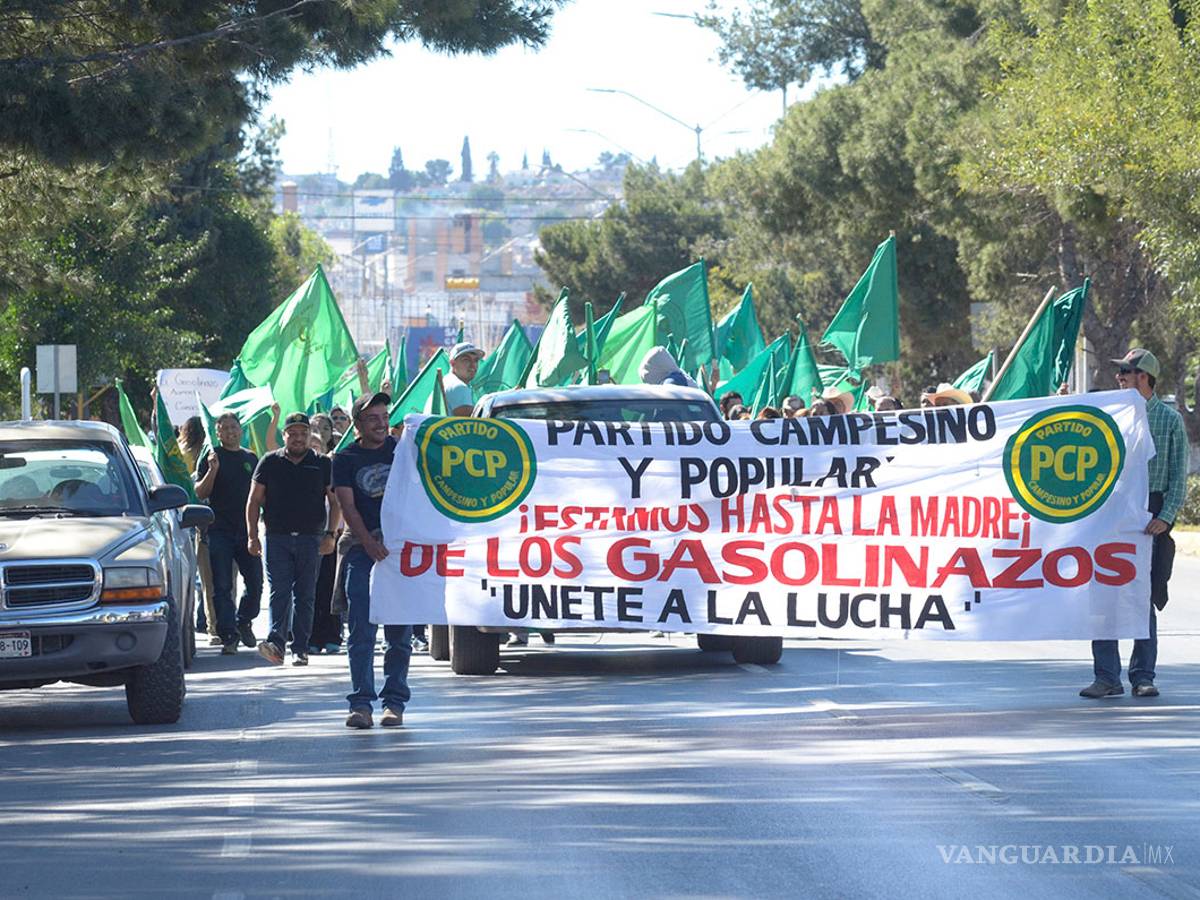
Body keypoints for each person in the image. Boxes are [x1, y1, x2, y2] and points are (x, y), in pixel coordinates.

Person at [1081, 349, 1187, 700]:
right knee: (1103, 594)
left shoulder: (1169, 421)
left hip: (1151, 512)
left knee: (1141, 598)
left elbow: (1177, 476)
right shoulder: (1109, 414)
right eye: (1121, 371)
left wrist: (1165, 517)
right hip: (1111, 511)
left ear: (1145, 377)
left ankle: (1143, 674)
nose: (1120, 377)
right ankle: (1106, 676)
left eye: (1127, 371)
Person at [334, 392, 412, 729]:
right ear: (358, 425)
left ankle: (394, 702)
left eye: (384, 416)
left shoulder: (403, 451)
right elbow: (348, 506)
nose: (381, 424)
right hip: (360, 549)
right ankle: (361, 703)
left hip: (400, 550)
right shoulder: (344, 458)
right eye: (372, 418)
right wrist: (368, 542)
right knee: (362, 630)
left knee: (399, 631)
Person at [247, 412, 340, 667]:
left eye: (303, 433)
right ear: (284, 435)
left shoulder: (322, 463)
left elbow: (335, 501)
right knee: (279, 591)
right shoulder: (269, 462)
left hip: (312, 539)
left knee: (305, 595)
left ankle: (300, 648)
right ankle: (276, 643)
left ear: (309, 435)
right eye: (293, 433)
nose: (298, 438)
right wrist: (252, 536)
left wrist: (330, 535)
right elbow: (254, 501)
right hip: (277, 538)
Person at [195, 413, 263, 654]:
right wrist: (212, 470)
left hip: (247, 531)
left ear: (240, 430)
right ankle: (229, 635)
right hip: (219, 531)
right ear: (218, 432)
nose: (230, 432)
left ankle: (244, 619)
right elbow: (200, 492)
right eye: (225, 429)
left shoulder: (250, 458)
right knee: (221, 586)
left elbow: (261, 493)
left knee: (255, 583)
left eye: (234, 427)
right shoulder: (211, 456)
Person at [308, 431, 344, 655]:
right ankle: (311, 636)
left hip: (330, 538)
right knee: (309, 590)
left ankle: (332, 635)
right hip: (307, 538)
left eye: (317, 444)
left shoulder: (330, 471)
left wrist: (334, 532)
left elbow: (339, 502)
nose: (313, 448)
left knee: (330, 589)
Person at [445, 342, 485, 416]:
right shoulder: (458, 387)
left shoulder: (448, 382)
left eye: (476, 360)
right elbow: (471, 424)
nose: (473, 365)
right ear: (452, 363)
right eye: (466, 360)